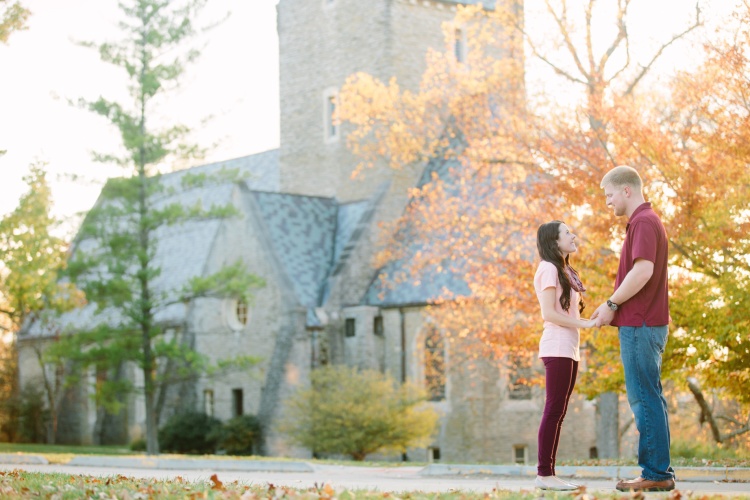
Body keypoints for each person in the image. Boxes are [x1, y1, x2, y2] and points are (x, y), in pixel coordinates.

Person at [591, 165, 675, 492]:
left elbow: (642, 272)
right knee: (649, 397)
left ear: (627, 190)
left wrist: (611, 304)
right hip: (644, 323)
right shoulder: (646, 221)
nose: (607, 202)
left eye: (609, 195)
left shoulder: (642, 222)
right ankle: (658, 471)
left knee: (643, 398)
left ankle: (655, 474)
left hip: (640, 325)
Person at [533, 220, 596, 491]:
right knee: (553, 410)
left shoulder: (563, 269)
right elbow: (548, 313)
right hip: (557, 347)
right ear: (554, 241)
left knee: (559, 412)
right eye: (567, 233)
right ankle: (544, 475)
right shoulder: (548, 268)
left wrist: (587, 321)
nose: (573, 235)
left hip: (569, 348)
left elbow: (568, 311)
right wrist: (584, 324)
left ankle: (549, 474)